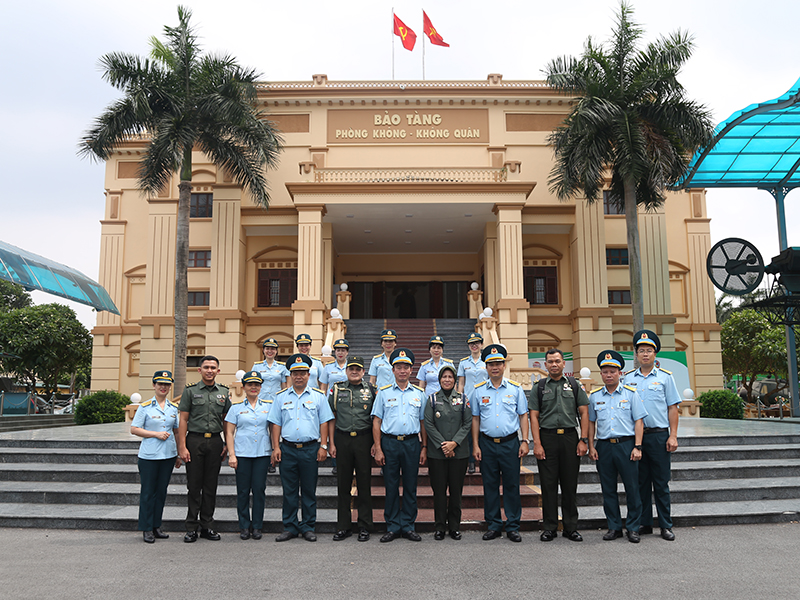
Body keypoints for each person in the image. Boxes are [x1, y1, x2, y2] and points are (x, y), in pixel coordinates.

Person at [268, 353, 334, 542]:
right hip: (287, 448)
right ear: (290, 374)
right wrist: (276, 447)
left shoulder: (318, 396)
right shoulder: (281, 397)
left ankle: (308, 526)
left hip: (310, 449)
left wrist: (324, 445)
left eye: (302, 373)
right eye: (295, 373)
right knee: (288, 490)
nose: (299, 376)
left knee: (308, 490)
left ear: (308, 374)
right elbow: (275, 424)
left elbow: (324, 422)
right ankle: (289, 527)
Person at [623, 330, 682, 541]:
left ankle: (666, 524)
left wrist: (673, 436)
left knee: (661, 483)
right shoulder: (628, 379)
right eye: (641, 351)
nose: (645, 354)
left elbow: (672, 408)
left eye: (649, 350)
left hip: (658, 436)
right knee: (640, 482)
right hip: (636, 439)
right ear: (636, 355)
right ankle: (644, 523)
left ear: (655, 353)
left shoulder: (666, 378)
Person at [469, 345, 530, 542]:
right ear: (486, 367)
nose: (495, 367)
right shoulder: (478, 391)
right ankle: (494, 525)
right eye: (491, 364)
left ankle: (513, 526)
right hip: (487, 444)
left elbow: (523, 416)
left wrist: (525, 440)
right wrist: (476, 445)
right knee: (490, 485)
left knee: (512, 485)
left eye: (498, 364)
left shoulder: (515, 389)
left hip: (510, 443)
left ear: (504, 366)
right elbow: (475, 419)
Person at [528, 349, 589, 542]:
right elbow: (534, 417)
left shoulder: (574, 385)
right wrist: (536, 444)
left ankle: (571, 527)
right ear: (545, 365)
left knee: (570, 485)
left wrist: (583, 439)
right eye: (550, 362)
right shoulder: (539, 387)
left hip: (570, 438)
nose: (554, 364)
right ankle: (550, 527)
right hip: (547, 439)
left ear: (564, 364)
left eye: (557, 361)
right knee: (548, 485)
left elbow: (584, 413)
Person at [587, 350, 648, 543]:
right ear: (601, 374)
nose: (609, 374)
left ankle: (632, 527)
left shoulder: (631, 394)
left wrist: (638, 446)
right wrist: (591, 446)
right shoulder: (595, 396)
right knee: (608, 489)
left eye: (612, 371)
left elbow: (639, 421)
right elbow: (590, 423)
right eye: (605, 371)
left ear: (620, 373)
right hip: (604, 447)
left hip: (626, 445)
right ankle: (614, 527)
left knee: (632, 488)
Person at [372, 347, 428, 542]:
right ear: (393, 370)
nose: (402, 370)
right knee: (391, 485)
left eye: (406, 367)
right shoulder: (383, 393)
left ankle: (409, 525)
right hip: (390, 444)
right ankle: (393, 526)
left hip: (412, 444)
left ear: (411, 370)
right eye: (399, 367)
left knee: (411, 486)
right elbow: (377, 421)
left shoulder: (419, 394)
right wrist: (378, 448)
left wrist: (424, 447)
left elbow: (423, 423)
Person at [177, 356, 231, 543]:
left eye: (213, 367)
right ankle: (191, 527)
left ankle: (207, 525)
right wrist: (182, 446)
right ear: (199, 370)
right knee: (194, 485)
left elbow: (226, 421)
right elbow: (183, 419)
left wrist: (226, 444)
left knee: (210, 485)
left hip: (215, 442)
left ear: (218, 370)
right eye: (206, 367)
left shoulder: (223, 392)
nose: (209, 370)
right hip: (194, 441)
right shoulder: (190, 391)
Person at [328, 356, 376, 542]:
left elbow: (376, 418)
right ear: (346, 371)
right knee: (343, 485)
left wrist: (375, 443)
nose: (354, 372)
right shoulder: (337, 389)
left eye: (358, 369)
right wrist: (331, 443)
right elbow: (331, 417)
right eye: (351, 369)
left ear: (363, 372)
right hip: (342, 439)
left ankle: (364, 526)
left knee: (364, 484)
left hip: (364, 439)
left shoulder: (371, 390)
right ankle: (343, 526)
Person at [130, 370, 180, 543]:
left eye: (166, 384)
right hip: (149, 456)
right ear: (154, 385)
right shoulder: (145, 407)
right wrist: (155, 434)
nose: (163, 387)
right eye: (160, 384)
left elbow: (177, 430)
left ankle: (156, 526)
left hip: (168, 455)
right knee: (148, 492)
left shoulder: (173, 408)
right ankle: (146, 527)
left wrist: (179, 453)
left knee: (161, 492)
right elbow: (134, 429)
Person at [424, 364, 472, 540]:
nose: (447, 380)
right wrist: (444, 446)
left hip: (459, 453)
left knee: (456, 491)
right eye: (444, 377)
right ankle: (439, 527)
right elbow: (428, 424)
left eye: (450, 377)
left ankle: (454, 527)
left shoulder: (463, 398)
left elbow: (467, 423)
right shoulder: (431, 399)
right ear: (439, 380)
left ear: (455, 379)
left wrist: (454, 444)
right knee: (439, 491)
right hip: (437, 454)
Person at [225, 371, 272, 540]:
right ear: (244, 387)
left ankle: (257, 526)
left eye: (257, 384)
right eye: (250, 384)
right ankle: (244, 526)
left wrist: (274, 450)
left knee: (259, 490)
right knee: (243, 491)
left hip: (262, 453)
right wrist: (232, 455)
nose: (254, 387)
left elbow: (273, 430)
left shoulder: (268, 406)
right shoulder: (236, 408)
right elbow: (229, 433)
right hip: (242, 454)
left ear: (261, 387)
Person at [251, 337, 288, 473]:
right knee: (263, 432)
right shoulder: (257, 366)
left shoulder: (282, 367)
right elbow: (253, 385)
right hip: (261, 403)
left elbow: (284, 386)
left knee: (276, 432)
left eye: (273, 349)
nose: (270, 351)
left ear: (277, 351)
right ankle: (266, 460)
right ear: (263, 350)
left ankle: (275, 459)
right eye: (267, 348)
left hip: (276, 403)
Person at [457, 332, 486, 474]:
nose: (474, 346)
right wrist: (459, 397)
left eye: (477, 343)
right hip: (468, 400)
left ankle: (484, 459)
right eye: (471, 343)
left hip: (485, 400)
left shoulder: (486, 361)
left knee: (484, 430)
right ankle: (471, 462)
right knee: (469, 431)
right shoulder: (464, 363)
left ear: (481, 344)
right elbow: (461, 382)